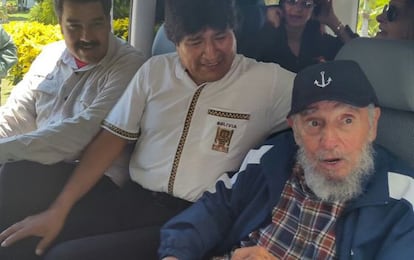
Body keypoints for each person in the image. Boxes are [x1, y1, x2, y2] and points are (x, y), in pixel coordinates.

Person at [0, 0, 295, 259]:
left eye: (221, 37)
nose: (211, 52)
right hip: (131, 200)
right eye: (194, 41)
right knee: (25, 240)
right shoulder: (154, 73)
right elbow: (111, 140)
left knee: (65, 257)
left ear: (234, 31)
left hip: (195, 218)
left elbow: (328, 96)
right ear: (173, 39)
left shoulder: (267, 83)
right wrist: (59, 209)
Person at [158, 60, 414, 260]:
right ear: (295, 128)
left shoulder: (403, 197)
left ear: (372, 124)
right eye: (314, 123)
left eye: (346, 120)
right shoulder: (272, 156)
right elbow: (217, 207)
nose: (329, 141)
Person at [0, 0, 145, 259]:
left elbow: (79, 133)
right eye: (74, 26)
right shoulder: (49, 56)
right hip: (38, 169)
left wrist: (5, 153)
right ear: (60, 24)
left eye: (96, 24)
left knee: (14, 177)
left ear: (109, 19)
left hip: (96, 181)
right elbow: (16, 114)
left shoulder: (130, 65)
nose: (86, 36)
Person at [246, 0, 357, 73]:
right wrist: (267, 26)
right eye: (292, 2)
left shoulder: (318, 40)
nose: (298, 9)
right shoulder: (267, 35)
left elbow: (359, 56)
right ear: (282, 4)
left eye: (306, 4)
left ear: (314, 8)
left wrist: (333, 22)